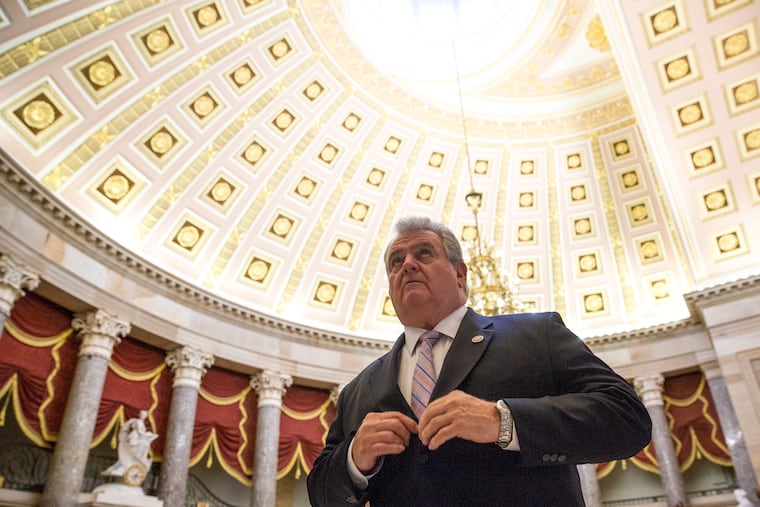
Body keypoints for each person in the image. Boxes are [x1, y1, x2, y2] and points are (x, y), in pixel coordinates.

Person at [307, 216, 652, 506]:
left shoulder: (536, 335)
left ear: (460, 274)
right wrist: (354, 459)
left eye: (424, 253)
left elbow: (627, 418)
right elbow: (321, 494)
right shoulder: (358, 389)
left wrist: (504, 421)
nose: (407, 264)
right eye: (396, 261)